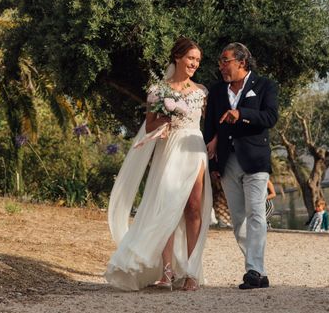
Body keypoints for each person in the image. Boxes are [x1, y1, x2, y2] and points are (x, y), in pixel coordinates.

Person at [106, 37, 212, 292]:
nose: (194, 64)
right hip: (170, 149)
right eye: (191, 58)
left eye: (198, 60)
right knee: (167, 207)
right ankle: (167, 270)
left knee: (193, 207)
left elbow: (208, 126)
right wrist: (165, 118)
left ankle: (191, 270)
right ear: (177, 57)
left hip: (194, 147)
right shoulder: (158, 90)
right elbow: (150, 125)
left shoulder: (201, 92)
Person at [204, 43, 278, 290]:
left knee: (256, 213)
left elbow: (270, 117)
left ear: (242, 62)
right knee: (238, 220)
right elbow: (210, 127)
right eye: (220, 62)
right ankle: (260, 271)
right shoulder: (216, 91)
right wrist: (213, 162)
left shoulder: (265, 86)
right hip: (227, 161)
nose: (221, 66)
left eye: (225, 61)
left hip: (255, 160)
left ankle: (253, 271)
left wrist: (242, 113)